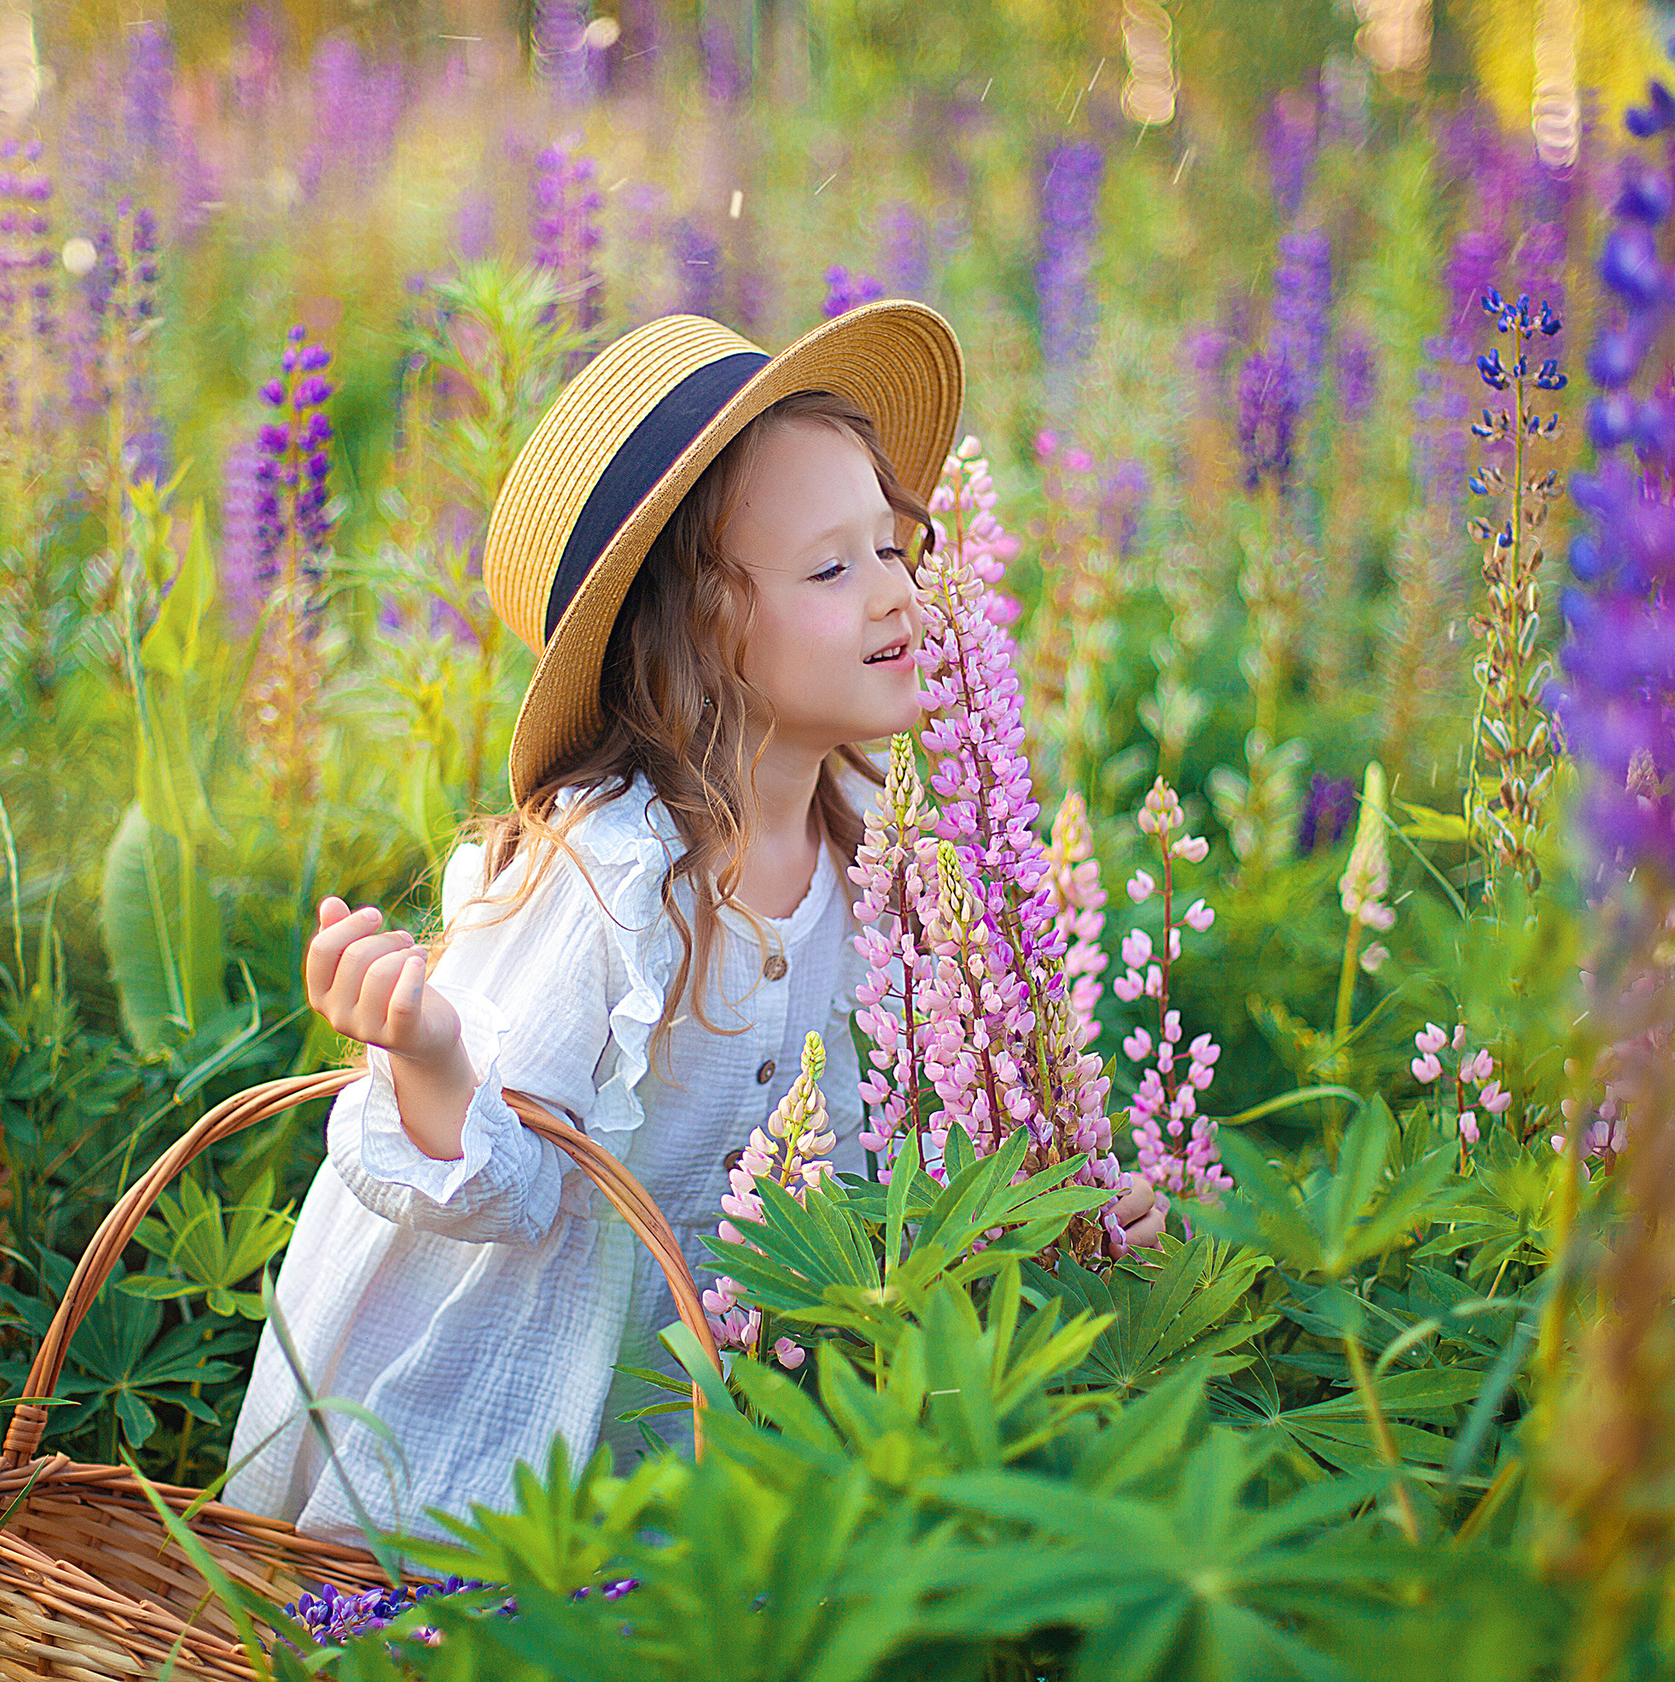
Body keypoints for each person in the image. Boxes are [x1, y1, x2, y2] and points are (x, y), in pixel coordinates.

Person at [227, 302, 1164, 1544]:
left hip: (722, 1456)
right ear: (699, 636)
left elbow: (886, 1169)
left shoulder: (879, 848)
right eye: (831, 569)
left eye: (893, 549)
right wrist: (432, 1055)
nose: (896, 594)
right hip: (507, 1452)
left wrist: (1054, 1209)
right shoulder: (609, 872)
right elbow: (500, 1186)